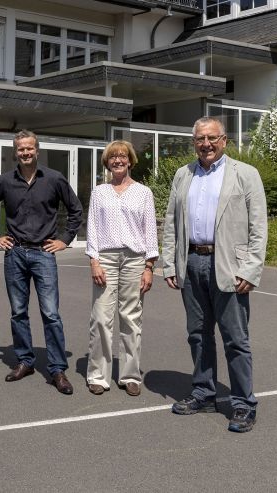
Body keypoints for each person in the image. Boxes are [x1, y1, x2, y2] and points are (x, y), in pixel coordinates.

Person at [162, 116, 267, 433]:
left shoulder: (245, 174)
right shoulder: (183, 175)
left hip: (229, 267)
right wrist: (170, 263)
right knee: (198, 335)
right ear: (193, 141)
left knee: (236, 339)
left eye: (211, 138)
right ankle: (204, 393)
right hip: (191, 263)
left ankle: (242, 404)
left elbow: (258, 228)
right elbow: (170, 224)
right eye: (199, 139)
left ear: (224, 140)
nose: (205, 144)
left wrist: (251, 268)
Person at [0, 130, 83, 395]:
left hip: (44, 254)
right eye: (21, 149)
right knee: (18, 312)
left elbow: (75, 210)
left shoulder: (54, 179)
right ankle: (25, 361)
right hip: (14, 254)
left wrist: (64, 239)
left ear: (37, 150)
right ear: (16, 152)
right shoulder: (5, 181)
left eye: (29, 148)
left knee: (51, 314)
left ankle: (57, 368)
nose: (25, 153)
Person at [85, 140, 158, 397]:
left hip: (134, 260)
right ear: (107, 162)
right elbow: (92, 227)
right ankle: (98, 375)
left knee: (131, 318)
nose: (117, 160)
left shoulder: (143, 193)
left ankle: (130, 375)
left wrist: (149, 266)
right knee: (101, 318)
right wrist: (94, 260)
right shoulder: (99, 192)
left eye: (122, 156)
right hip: (104, 257)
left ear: (130, 161)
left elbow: (150, 231)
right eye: (112, 157)